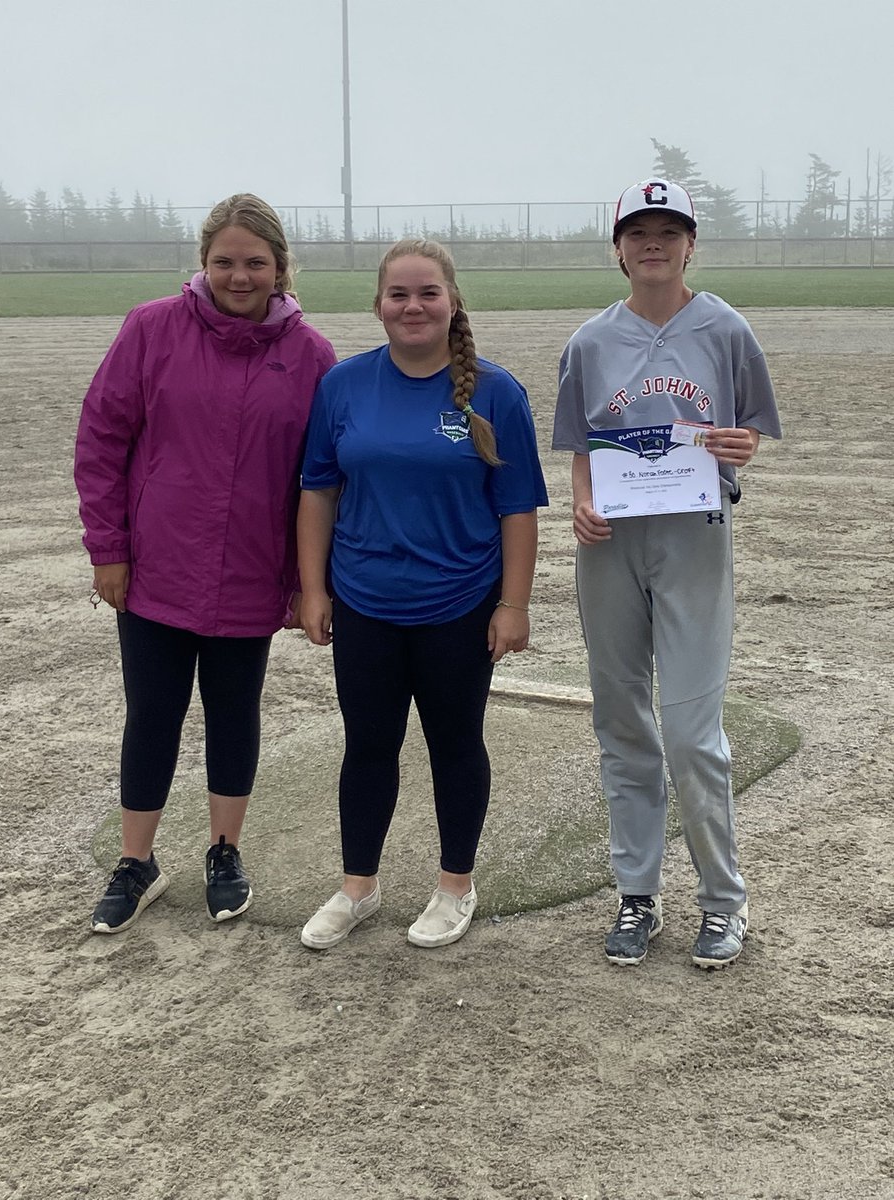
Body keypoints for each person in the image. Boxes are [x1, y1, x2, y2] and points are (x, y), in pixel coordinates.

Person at [75, 193, 336, 934]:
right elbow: (101, 439)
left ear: (280, 267)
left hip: (251, 572)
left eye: (255, 262)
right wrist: (109, 549)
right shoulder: (151, 328)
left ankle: (225, 850)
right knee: (152, 713)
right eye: (224, 262)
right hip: (156, 569)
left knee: (233, 713)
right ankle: (137, 861)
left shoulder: (311, 356)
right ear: (203, 263)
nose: (239, 276)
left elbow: (319, 481)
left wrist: (304, 581)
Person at [552, 179, 782, 969]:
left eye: (669, 230)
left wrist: (742, 446)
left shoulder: (724, 328)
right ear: (618, 248)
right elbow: (582, 445)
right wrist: (581, 502)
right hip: (611, 543)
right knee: (621, 720)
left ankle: (723, 899)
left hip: (694, 537)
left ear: (691, 245)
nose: (654, 243)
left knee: (690, 730)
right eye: (638, 231)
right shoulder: (590, 342)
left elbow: (747, 430)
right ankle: (638, 894)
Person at [297, 238, 548, 950]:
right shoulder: (343, 386)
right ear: (377, 304)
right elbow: (318, 491)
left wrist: (514, 604)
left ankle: (455, 886)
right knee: (367, 746)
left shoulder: (495, 392)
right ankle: (358, 887)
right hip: (364, 601)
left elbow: (517, 508)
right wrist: (313, 588)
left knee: (455, 745)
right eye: (399, 294)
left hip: (460, 605)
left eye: (428, 293)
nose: (413, 306)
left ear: (452, 301)